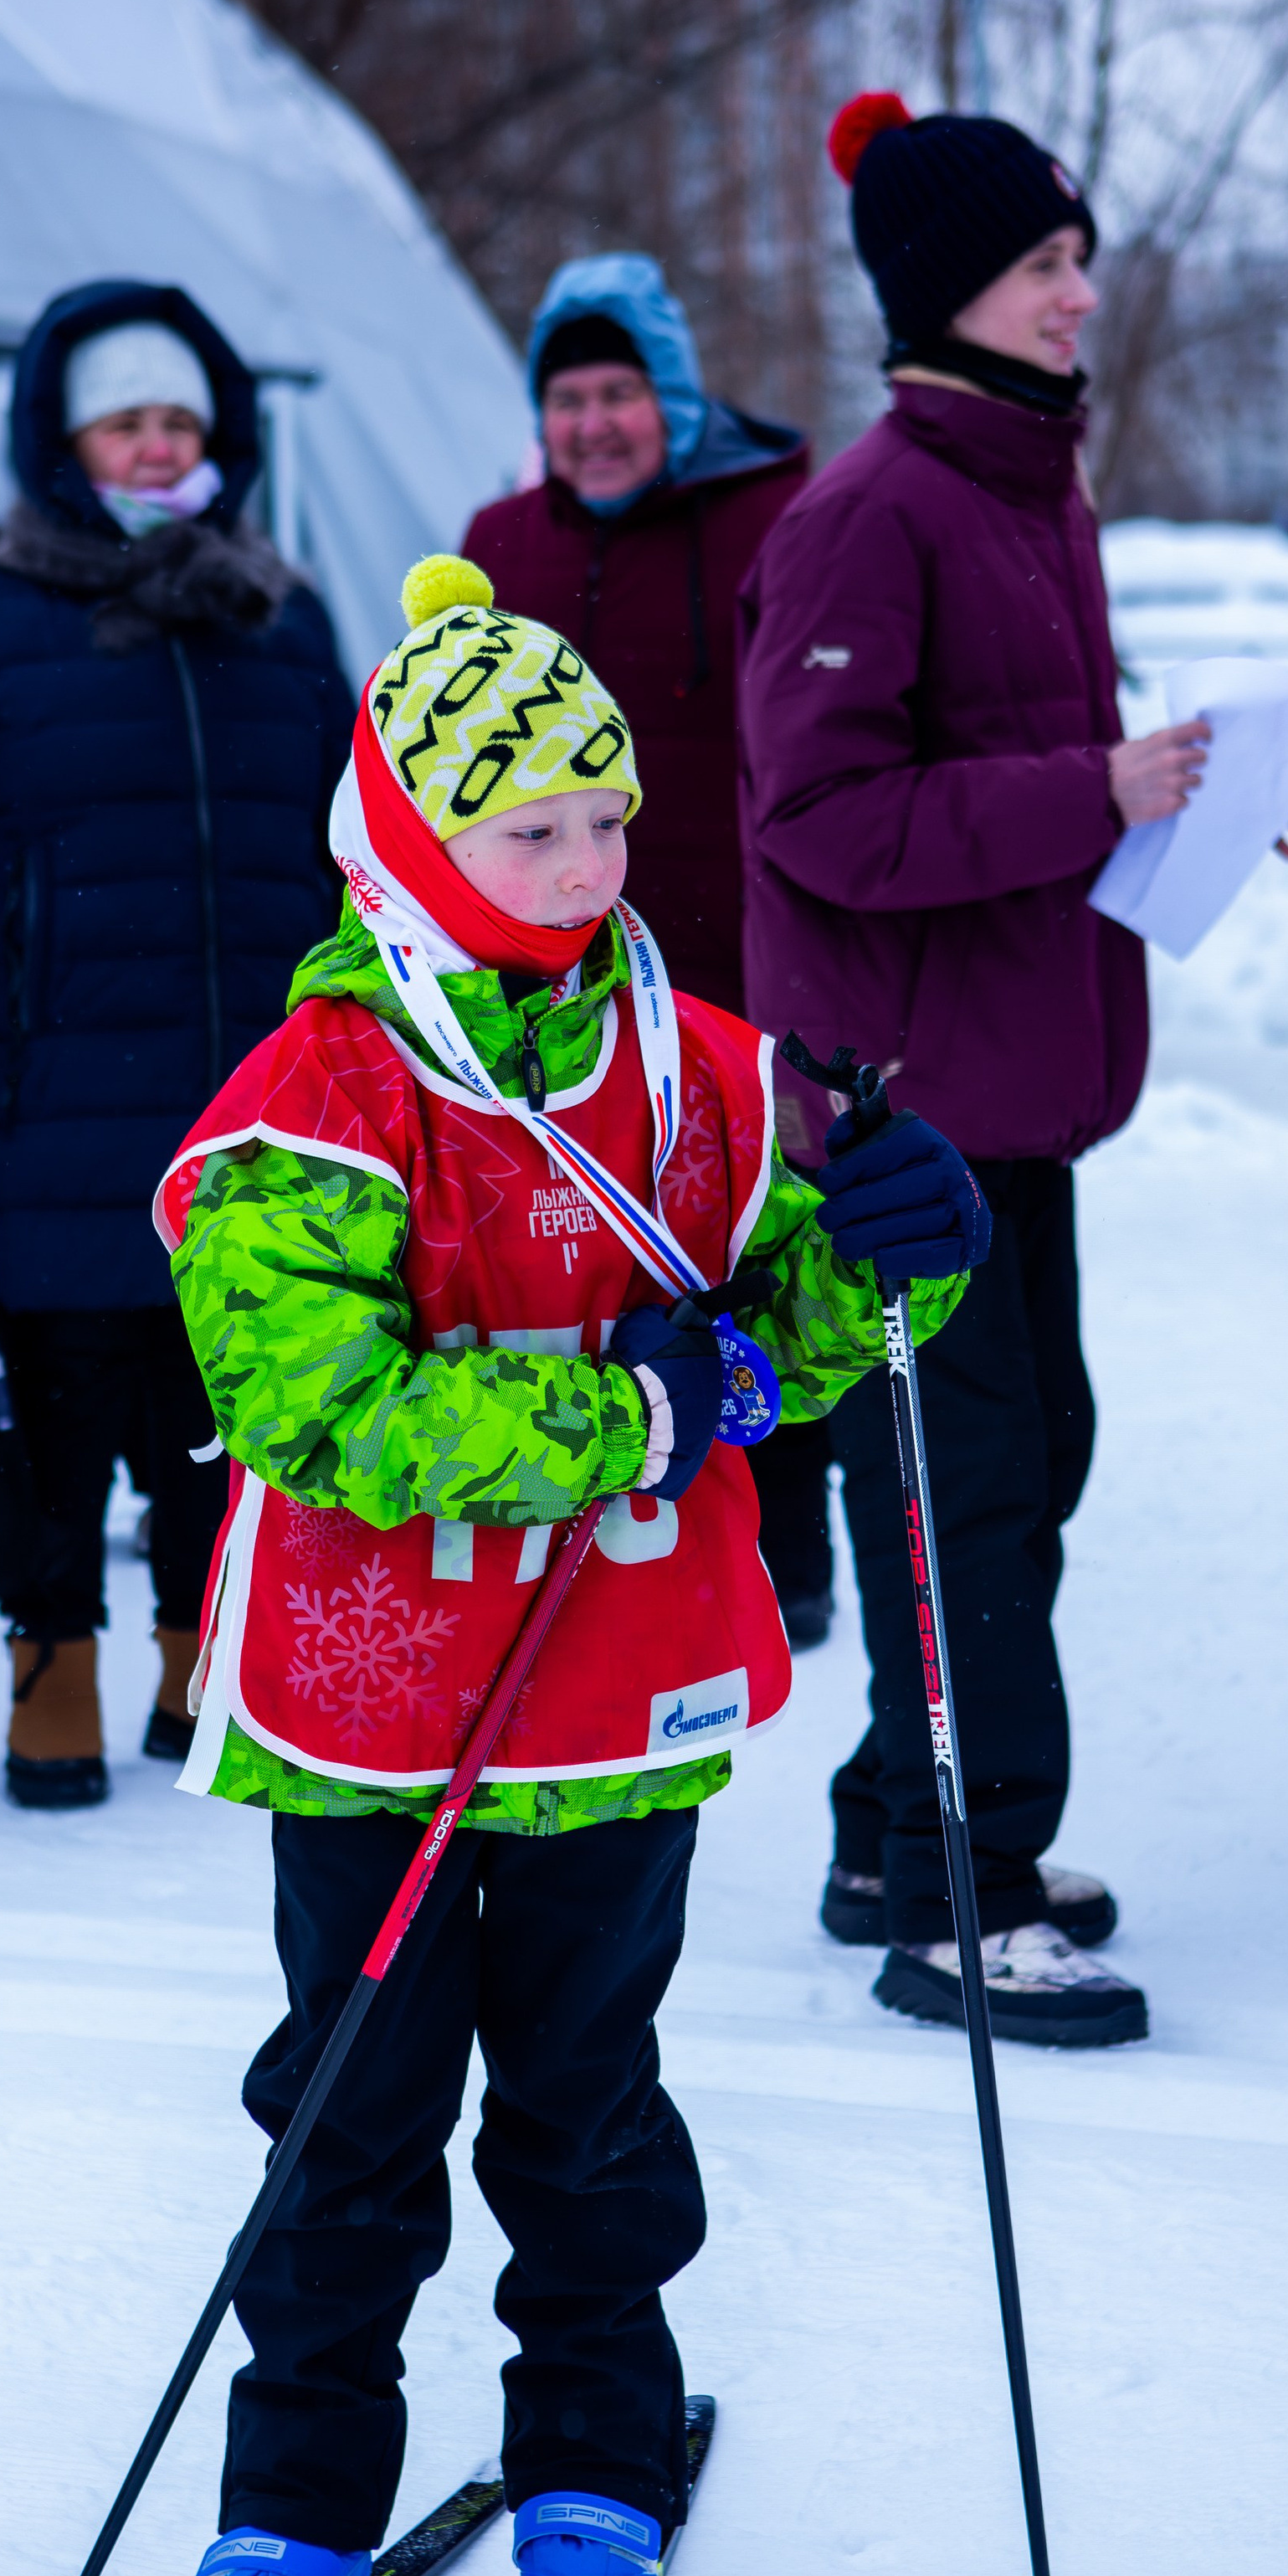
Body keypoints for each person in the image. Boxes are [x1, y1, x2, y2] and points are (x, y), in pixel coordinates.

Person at [151, 553, 979, 2576]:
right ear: (422, 834)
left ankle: (596, 2467)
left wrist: (914, 1247)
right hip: (370, 1709)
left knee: (589, 2108)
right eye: (534, 829)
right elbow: (313, 1409)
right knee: (352, 2114)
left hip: (613, 1697)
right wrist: (635, 1405)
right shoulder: (314, 1098)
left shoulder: (701, 1072)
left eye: (608, 819)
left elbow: (803, 1331)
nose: (590, 862)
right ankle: (297, 2501)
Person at [739, 92, 1215, 2054]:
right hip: (901, 1121)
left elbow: (1011, 795)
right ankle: (960, 1888)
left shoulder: (1027, 490)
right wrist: (1083, 789)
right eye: (1042, 264)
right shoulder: (869, 512)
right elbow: (828, 821)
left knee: (1033, 1472)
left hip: (1016, 1095)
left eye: (1071, 259)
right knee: (962, 1501)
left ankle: (887, 1825)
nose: (1076, 293)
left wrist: (1172, 810)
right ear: (948, 289)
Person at [0, 281, 353, 1808]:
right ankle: (50, 1669)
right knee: (60, 1400)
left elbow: (354, 851)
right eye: (124, 422)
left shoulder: (283, 610)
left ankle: (203, 1664)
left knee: (223, 1395)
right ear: (66, 441)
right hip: (43, 1087)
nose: (153, 446)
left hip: (247, 1093)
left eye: (178, 421)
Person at [459, 258, 835, 1644]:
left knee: (756, 1256)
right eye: (569, 397)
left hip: (747, 966)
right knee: (613, 1263)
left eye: (622, 392)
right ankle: (617, 1529)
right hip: (570, 981)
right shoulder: (501, 540)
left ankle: (788, 1549)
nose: (597, 421)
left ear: (672, 399)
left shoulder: (772, 518)